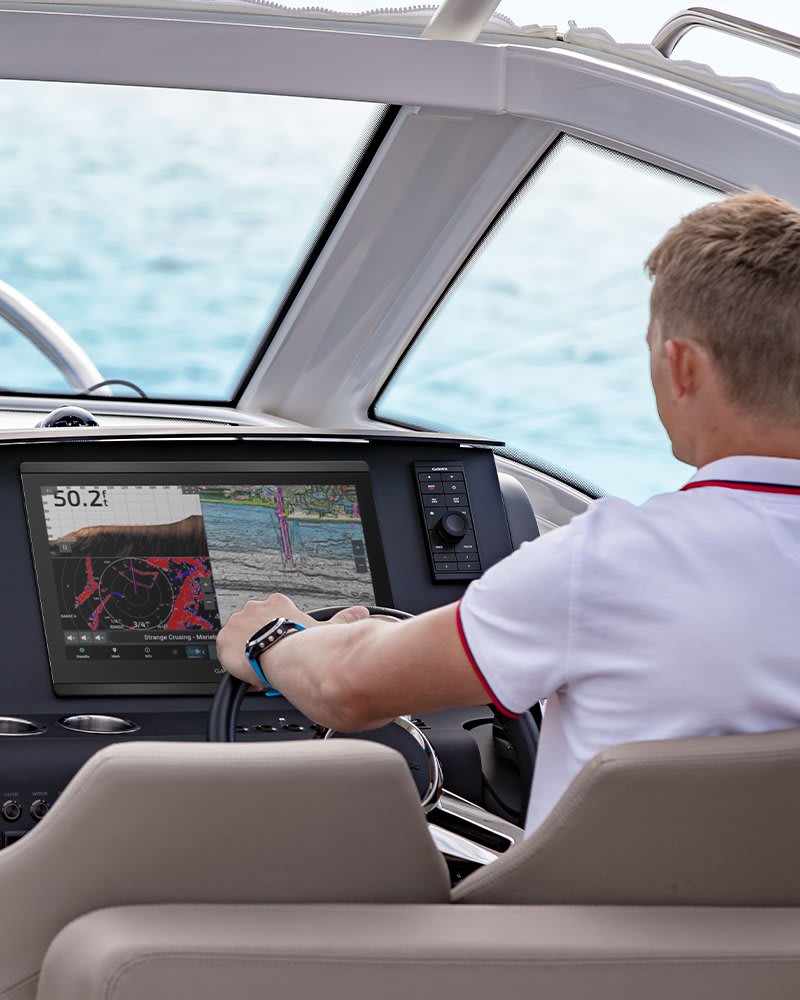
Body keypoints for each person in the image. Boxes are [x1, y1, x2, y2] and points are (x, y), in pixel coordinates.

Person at [217, 191, 800, 835]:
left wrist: (274, 640)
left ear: (681, 366)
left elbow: (349, 688)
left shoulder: (611, 563)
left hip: (597, 905)